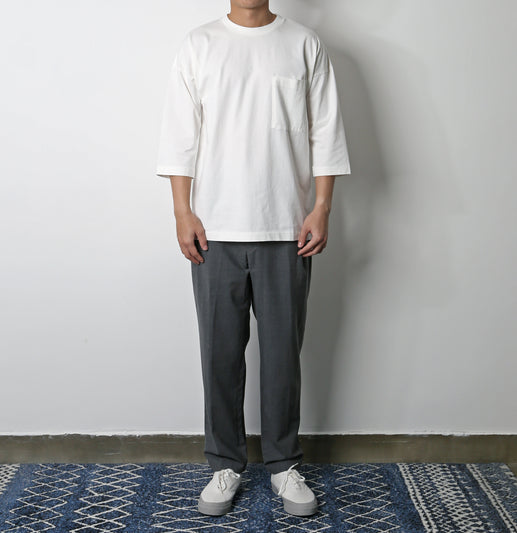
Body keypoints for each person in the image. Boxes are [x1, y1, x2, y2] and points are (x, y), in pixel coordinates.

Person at [156, 0, 351, 518]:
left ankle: (284, 464)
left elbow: (325, 130)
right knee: (219, 354)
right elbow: (180, 135)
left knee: (283, 356)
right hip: (214, 228)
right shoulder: (199, 44)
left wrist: (322, 207)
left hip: (287, 227)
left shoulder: (303, 44)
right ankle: (225, 463)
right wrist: (182, 211)